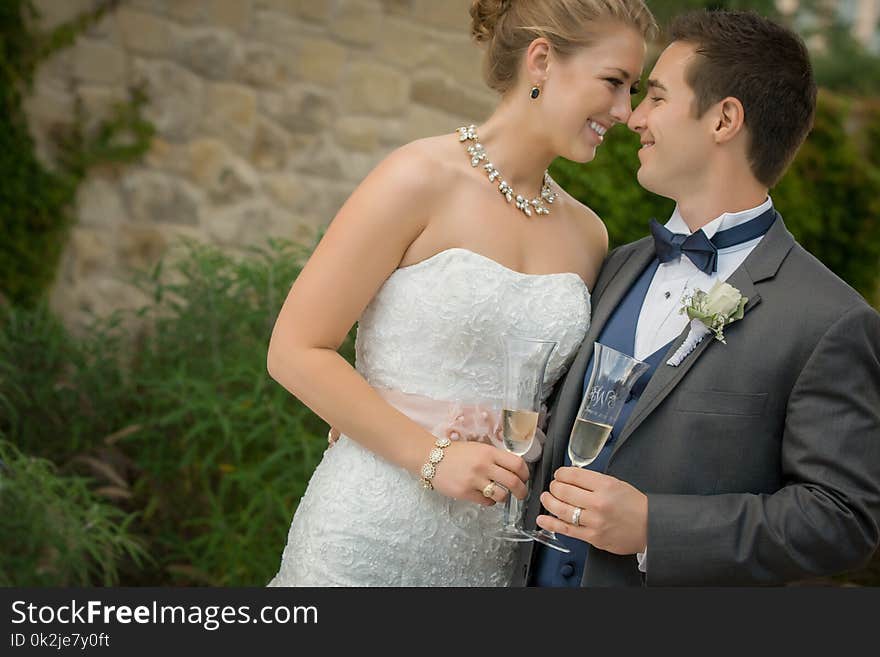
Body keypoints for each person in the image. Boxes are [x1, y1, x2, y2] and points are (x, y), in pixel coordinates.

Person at [265, 0, 657, 586]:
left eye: (633, 90)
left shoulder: (587, 235)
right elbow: (295, 351)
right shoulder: (417, 178)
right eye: (613, 83)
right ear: (542, 60)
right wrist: (435, 456)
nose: (625, 111)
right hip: (368, 534)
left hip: (492, 550)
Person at [513, 9, 880, 587]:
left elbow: (842, 518)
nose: (633, 117)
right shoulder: (615, 266)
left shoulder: (829, 322)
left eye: (656, 96)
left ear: (724, 119)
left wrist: (657, 527)